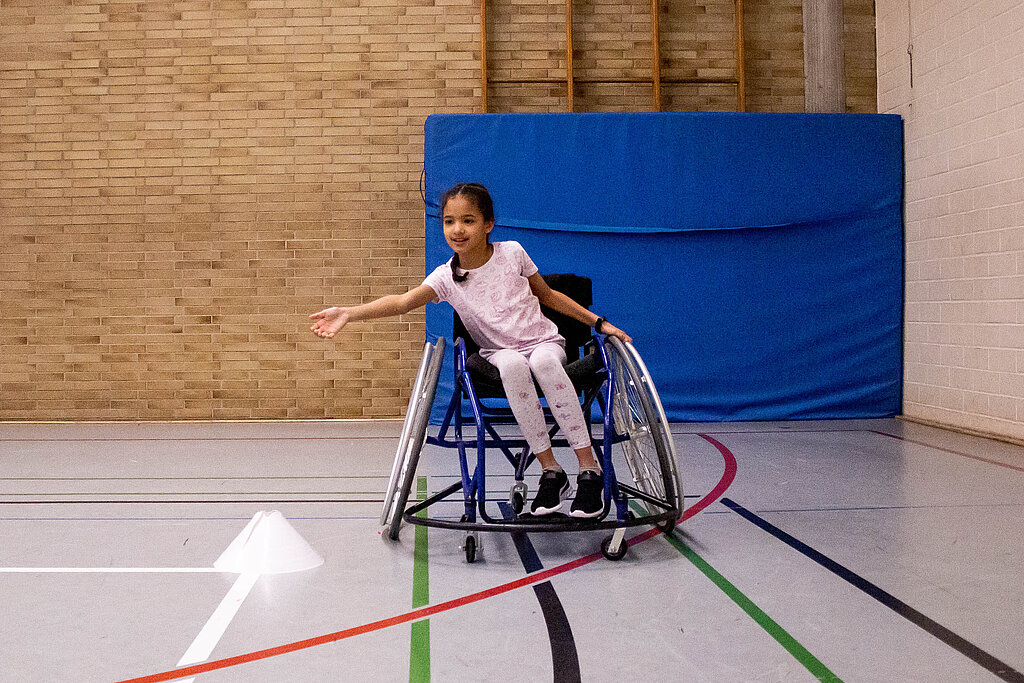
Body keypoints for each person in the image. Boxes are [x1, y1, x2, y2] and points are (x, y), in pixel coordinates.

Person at [310, 182, 631, 518]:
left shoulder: (512, 253)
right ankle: (551, 471)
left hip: (544, 344)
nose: (457, 230)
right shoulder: (445, 278)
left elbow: (549, 297)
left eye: (468, 220)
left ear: (488, 224)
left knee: (544, 363)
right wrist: (349, 312)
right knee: (511, 366)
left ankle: (588, 469)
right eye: (449, 221)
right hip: (498, 353)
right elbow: (403, 302)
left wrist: (600, 323)